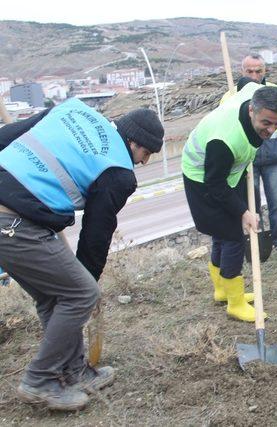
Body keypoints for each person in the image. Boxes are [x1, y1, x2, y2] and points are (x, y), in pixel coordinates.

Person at [0, 99, 164, 410]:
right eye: (146, 154)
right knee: (79, 293)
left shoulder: (73, 110)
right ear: (133, 142)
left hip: (17, 219)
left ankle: (74, 371)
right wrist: (88, 285)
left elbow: (10, 134)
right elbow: (96, 234)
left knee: (54, 297)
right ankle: (39, 380)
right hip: (15, 225)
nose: (143, 163)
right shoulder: (118, 171)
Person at [182, 83, 277, 323]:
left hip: (229, 172)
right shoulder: (226, 139)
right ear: (251, 110)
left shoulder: (254, 95)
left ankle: (222, 290)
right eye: (266, 123)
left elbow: (248, 83)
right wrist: (243, 211)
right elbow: (215, 184)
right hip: (202, 179)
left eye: (276, 123)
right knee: (231, 236)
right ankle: (235, 303)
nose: (271, 130)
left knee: (223, 234)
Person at [221, 54, 277, 255]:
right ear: (242, 72)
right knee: (251, 204)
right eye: (250, 71)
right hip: (247, 158)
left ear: (265, 71)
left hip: (271, 153)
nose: (255, 75)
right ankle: (256, 247)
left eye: (259, 71)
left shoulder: (275, 91)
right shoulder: (232, 96)